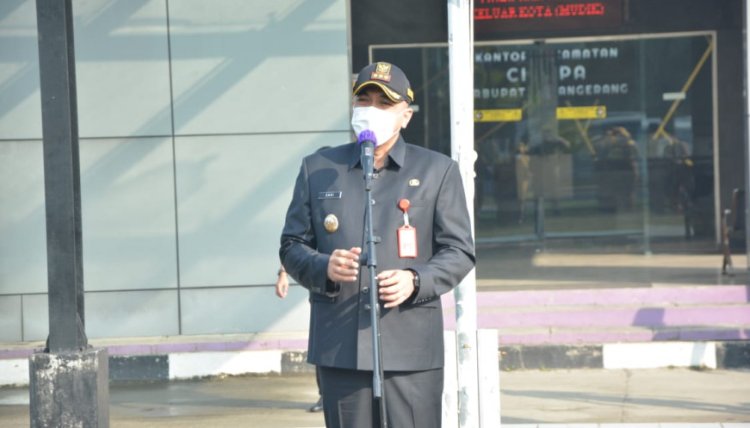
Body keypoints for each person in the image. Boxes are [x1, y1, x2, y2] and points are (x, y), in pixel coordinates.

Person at [279, 62, 475, 427]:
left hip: (411, 347)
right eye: (364, 100)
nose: (371, 110)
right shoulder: (318, 167)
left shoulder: (438, 170)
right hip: (341, 346)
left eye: (384, 104)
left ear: (406, 116)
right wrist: (324, 266)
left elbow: (459, 251)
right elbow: (291, 245)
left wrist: (416, 280)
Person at [274, 265, 324, 411]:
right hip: (325, 286)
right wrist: (283, 273)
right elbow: (298, 244)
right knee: (322, 342)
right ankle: (326, 395)